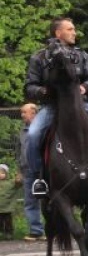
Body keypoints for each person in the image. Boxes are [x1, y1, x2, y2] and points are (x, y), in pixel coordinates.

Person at [24, 17, 88, 198]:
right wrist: (43, 91)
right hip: (52, 106)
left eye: (73, 29)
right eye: (70, 29)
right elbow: (30, 87)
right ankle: (39, 178)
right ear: (57, 32)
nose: (74, 32)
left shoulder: (82, 56)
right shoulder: (39, 57)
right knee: (33, 134)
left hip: (81, 105)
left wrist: (85, 87)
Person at [15, 103, 44, 240]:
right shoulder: (22, 131)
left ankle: (54, 229)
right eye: (22, 112)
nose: (22, 115)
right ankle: (36, 231)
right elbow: (18, 153)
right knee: (30, 202)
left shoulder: (43, 129)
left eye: (24, 112)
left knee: (50, 200)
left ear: (33, 113)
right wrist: (19, 171)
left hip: (43, 170)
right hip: (27, 171)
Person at [0, 164, 16, 239]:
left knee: (8, 222)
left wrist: (18, 178)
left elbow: (19, 183)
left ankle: (9, 234)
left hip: (7, 208)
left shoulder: (11, 182)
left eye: (2, 173)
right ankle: (1, 233)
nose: (0, 175)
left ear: (6, 174)